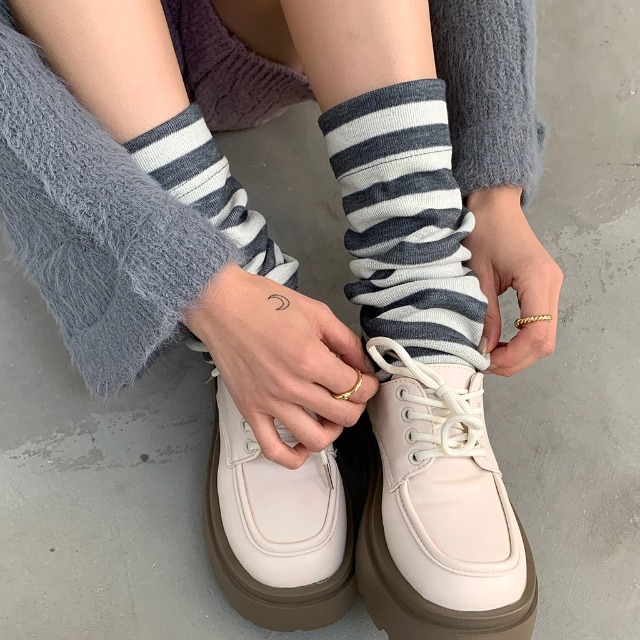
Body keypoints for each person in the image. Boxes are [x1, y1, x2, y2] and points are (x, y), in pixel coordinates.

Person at [0, 0, 562, 638]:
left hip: (252, 28)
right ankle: (240, 276)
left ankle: (423, 298)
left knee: (419, 249)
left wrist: (493, 187)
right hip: (70, 60)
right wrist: (210, 287)